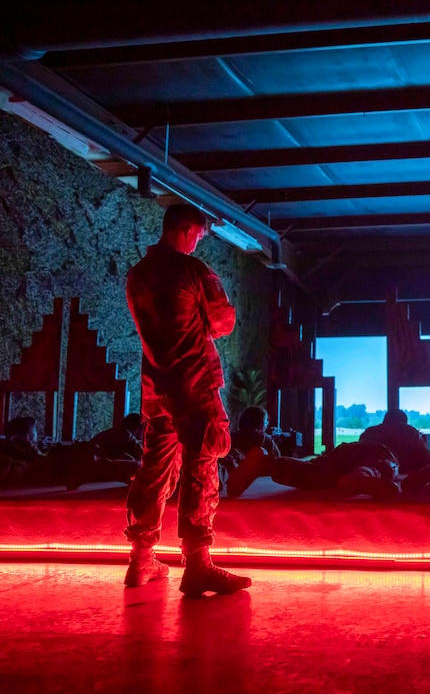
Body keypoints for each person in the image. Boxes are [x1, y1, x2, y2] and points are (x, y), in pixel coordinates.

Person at [123, 203, 250, 595]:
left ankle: (141, 560)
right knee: (202, 462)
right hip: (194, 381)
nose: (198, 242)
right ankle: (197, 563)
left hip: (156, 385)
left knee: (155, 467)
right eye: (198, 235)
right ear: (187, 230)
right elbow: (223, 321)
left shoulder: (138, 275)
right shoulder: (193, 271)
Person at [269, 440, 400, 498]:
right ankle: (362, 475)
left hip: (350, 448)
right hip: (383, 452)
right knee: (378, 465)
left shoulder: (370, 431)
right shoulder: (410, 433)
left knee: (324, 468)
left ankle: (284, 465)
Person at [219, 406, 282, 498]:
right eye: (265, 422)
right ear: (260, 424)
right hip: (238, 461)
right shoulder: (264, 438)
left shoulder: (231, 436)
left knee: (220, 469)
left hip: (226, 459)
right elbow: (277, 462)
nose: (267, 424)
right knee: (232, 466)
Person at [358, 409, 430, 473]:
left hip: (374, 475)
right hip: (408, 476)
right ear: (404, 422)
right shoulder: (410, 432)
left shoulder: (369, 432)